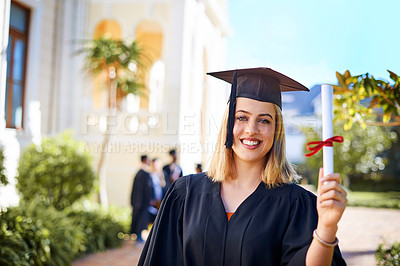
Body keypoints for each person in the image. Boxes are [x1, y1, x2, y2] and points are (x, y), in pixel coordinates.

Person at [139, 68, 347, 265]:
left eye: (264, 121)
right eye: (241, 117)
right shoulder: (185, 194)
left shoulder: (296, 204)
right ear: (228, 124)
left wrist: (327, 227)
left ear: (276, 130)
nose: (251, 129)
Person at [130, 155, 154, 244]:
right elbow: (141, 189)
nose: (150, 161)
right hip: (141, 203)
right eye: (148, 159)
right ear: (144, 160)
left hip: (140, 202)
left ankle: (139, 237)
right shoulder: (142, 173)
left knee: (141, 221)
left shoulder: (140, 173)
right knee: (140, 221)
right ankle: (138, 238)